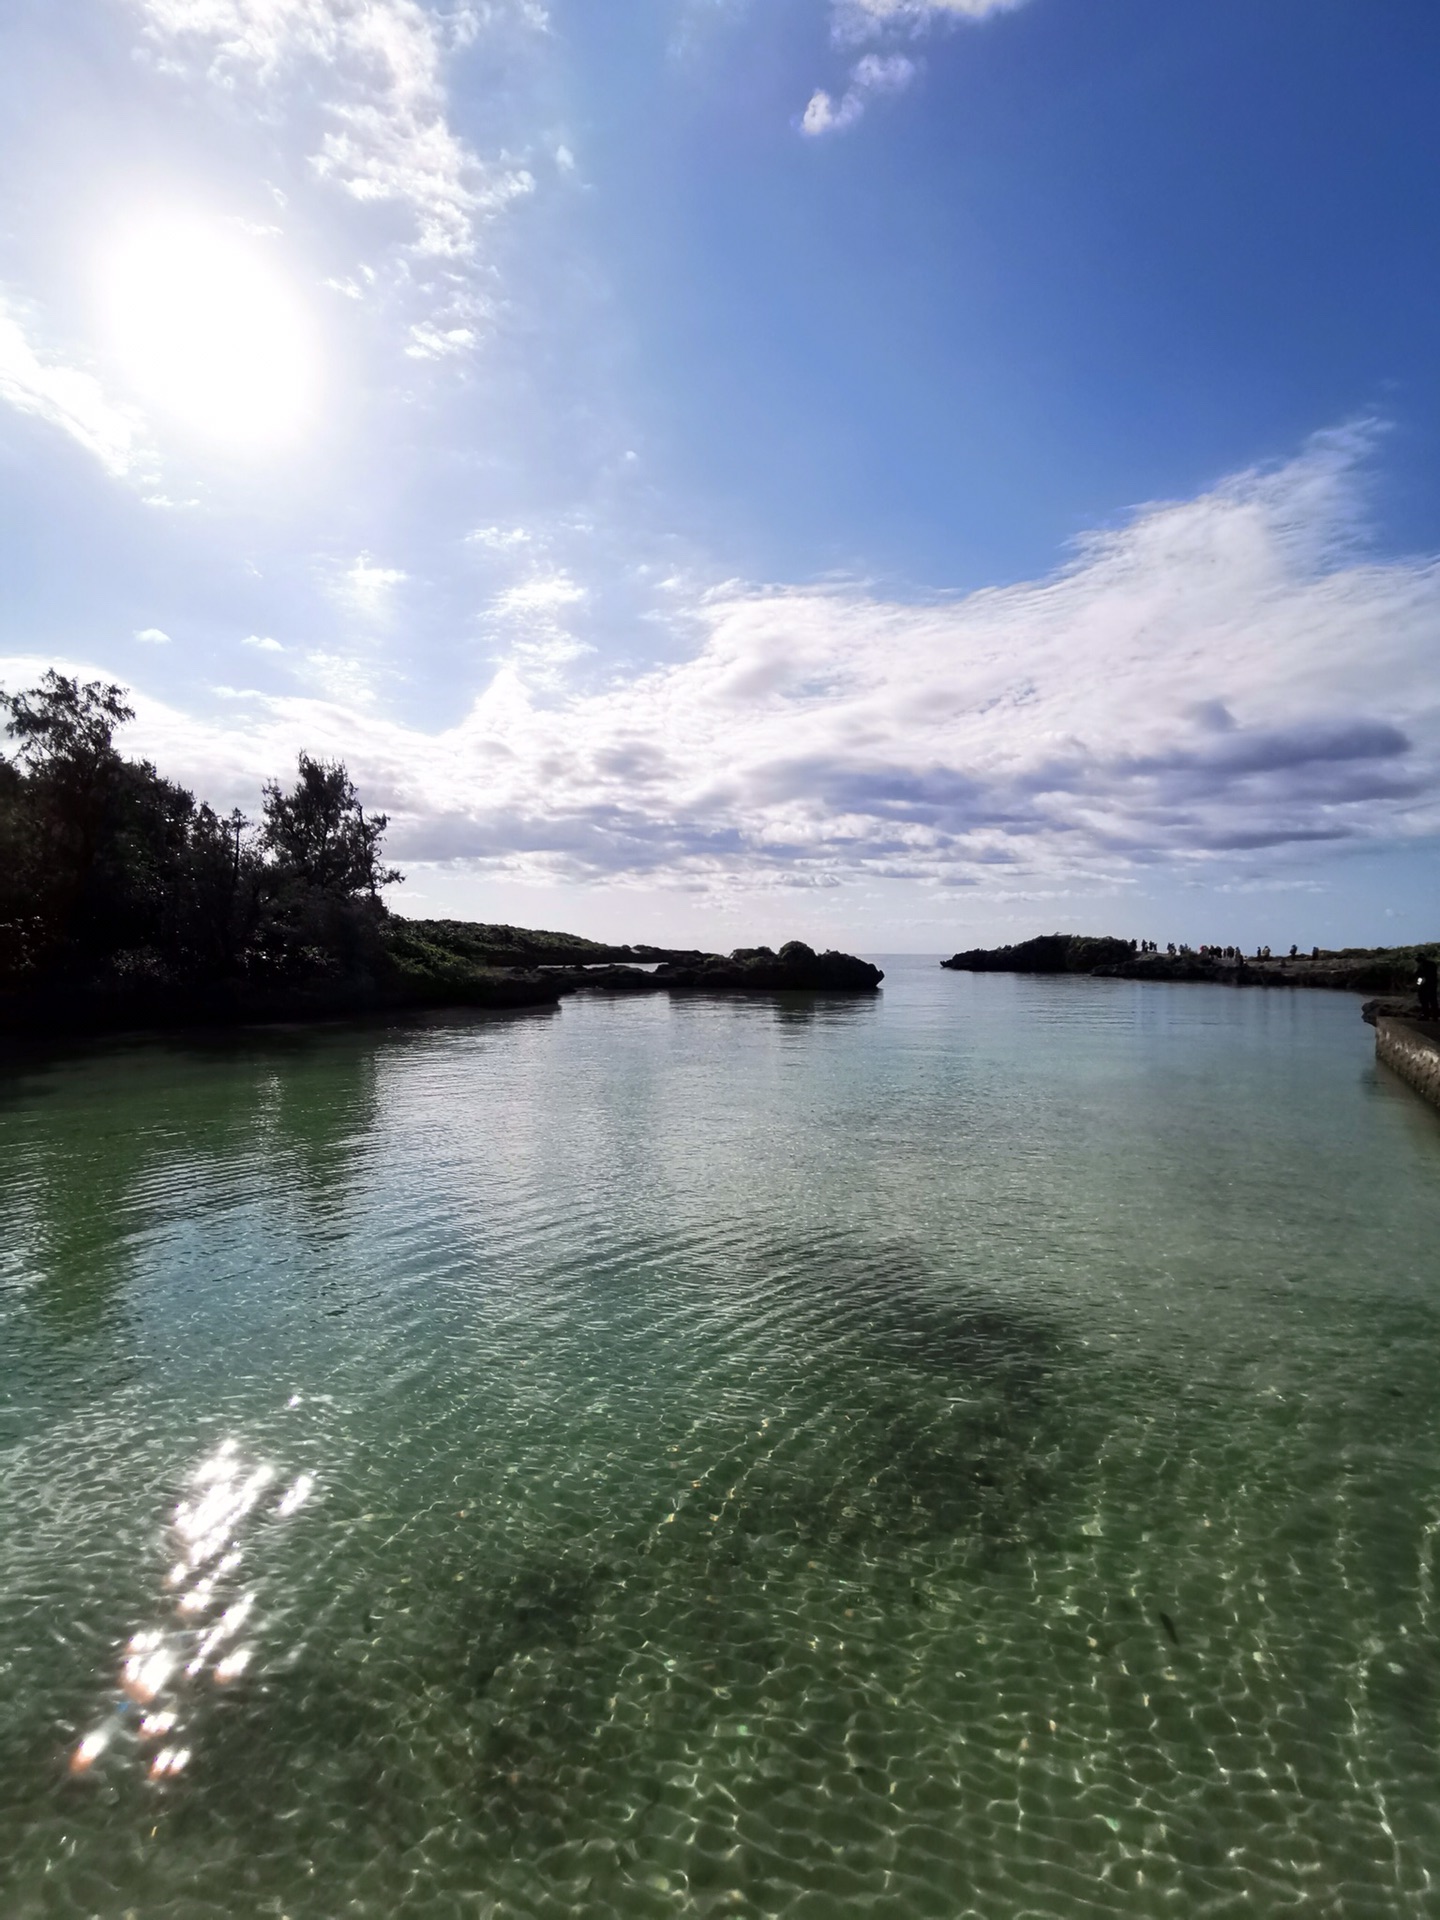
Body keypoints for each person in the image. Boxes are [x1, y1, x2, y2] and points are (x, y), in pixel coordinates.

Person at [1417, 953, 1439, 1021]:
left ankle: (1426, 1015)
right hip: (1432, 984)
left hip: (1425, 985)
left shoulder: (1422, 966)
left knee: (1424, 1001)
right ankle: (1435, 1016)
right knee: (1433, 1000)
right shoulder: (1432, 964)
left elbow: (1421, 977)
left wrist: (1418, 985)